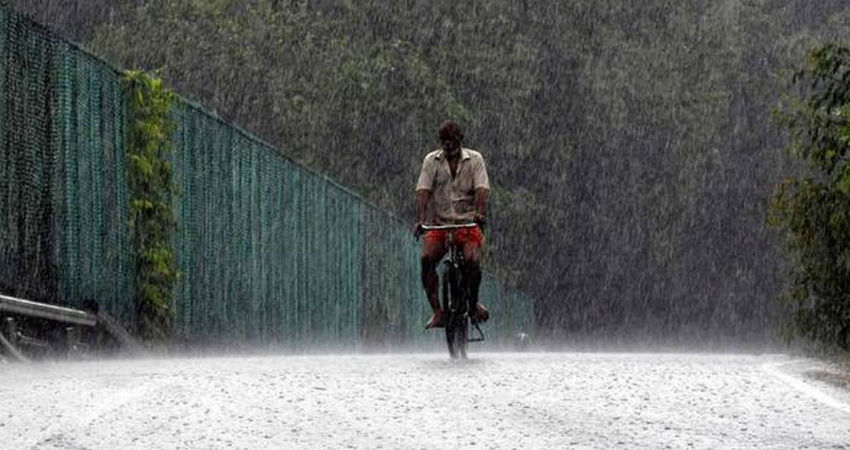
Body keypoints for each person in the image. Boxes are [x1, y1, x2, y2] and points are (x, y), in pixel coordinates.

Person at [414, 120, 490, 329]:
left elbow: (482, 189)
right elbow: (423, 191)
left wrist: (480, 214)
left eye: (452, 141)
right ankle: (438, 312)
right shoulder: (432, 161)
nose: (448, 146)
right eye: (444, 142)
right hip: (440, 225)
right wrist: (421, 219)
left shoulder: (475, 160)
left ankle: (472, 304)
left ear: (460, 141)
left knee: (472, 261)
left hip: (467, 223)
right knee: (426, 260)